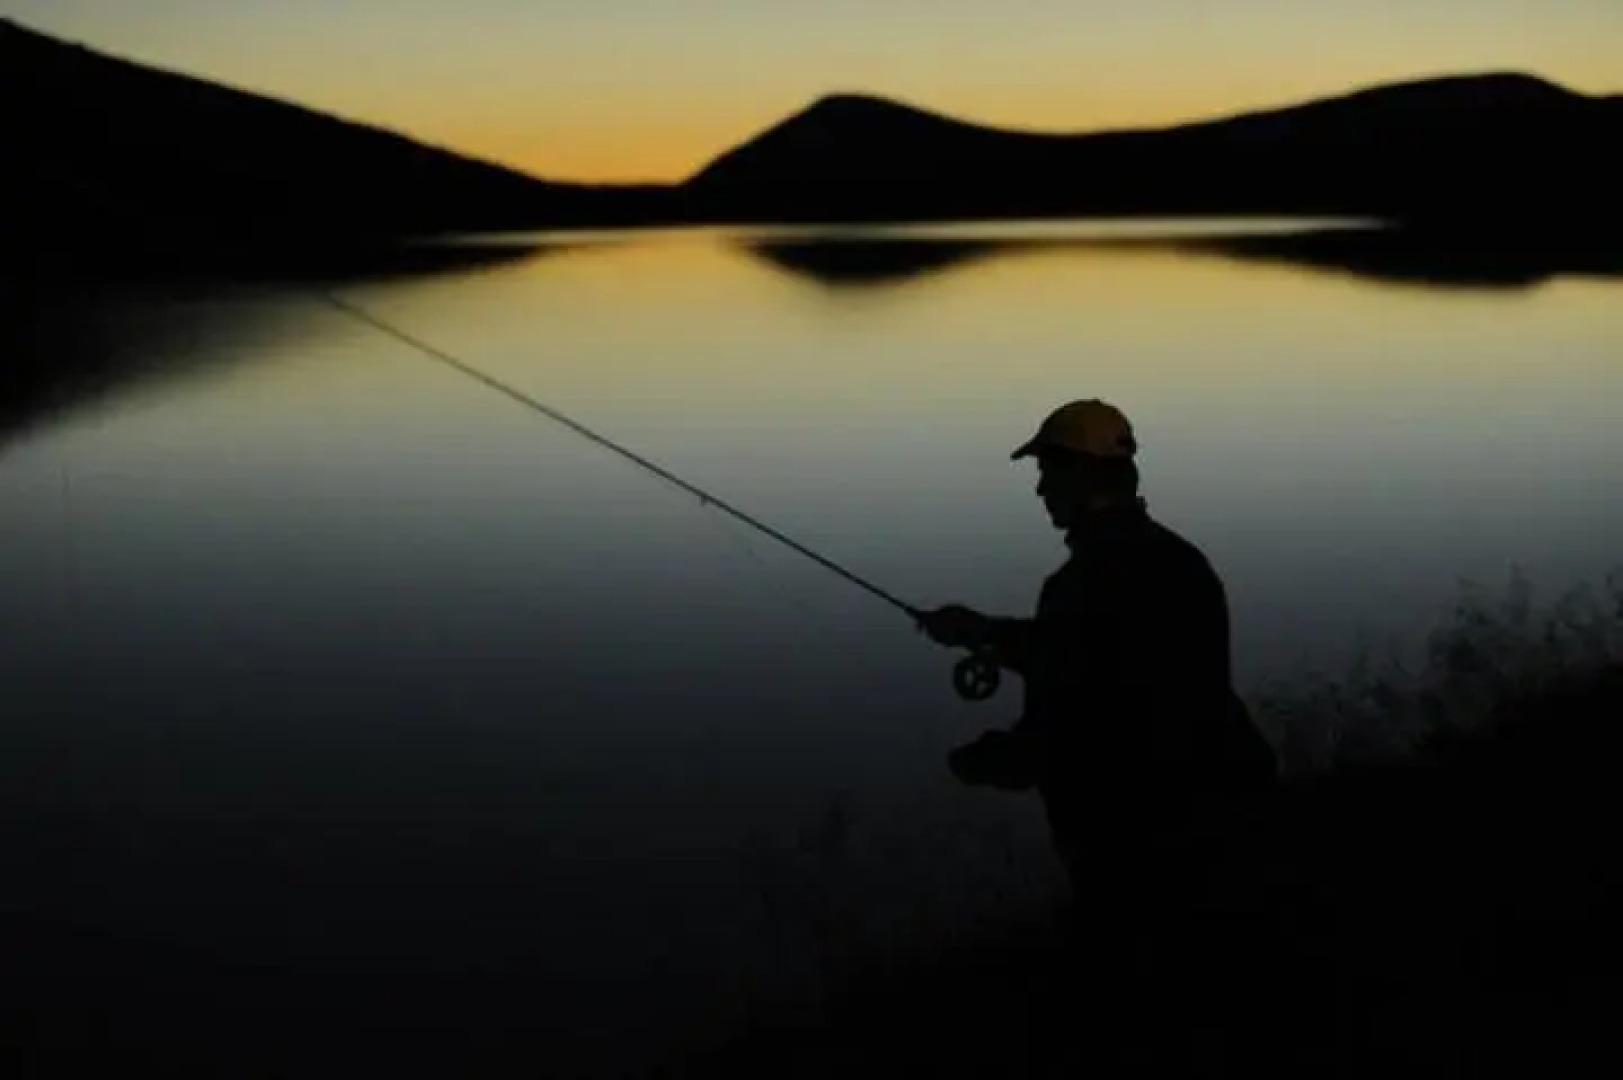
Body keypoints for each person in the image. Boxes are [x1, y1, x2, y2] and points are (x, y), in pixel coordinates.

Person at [915, 399, 1279, 1001]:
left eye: (1046, 473)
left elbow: (1079, 718)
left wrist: (990, 760)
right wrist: (982, 631)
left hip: (1140, 848)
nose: (1039, 491)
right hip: (1228, 809)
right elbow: (1104, 660)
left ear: (1080, 477)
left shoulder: (1079, 586)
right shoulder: (1182, 563)